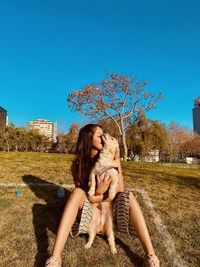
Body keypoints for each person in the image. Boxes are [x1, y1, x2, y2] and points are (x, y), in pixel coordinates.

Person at [45, 124, 159, 267]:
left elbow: (120, 190)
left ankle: (150, 256)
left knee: (128, 195)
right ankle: (55, 258)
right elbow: (84, 197)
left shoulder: (113, 158)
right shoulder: (77, 165)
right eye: (99, 134)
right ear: (88, 139)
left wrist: (98, 195)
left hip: (110, 213)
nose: (103, 137)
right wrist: (98, 192)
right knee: (77, 192)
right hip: (89, 214)